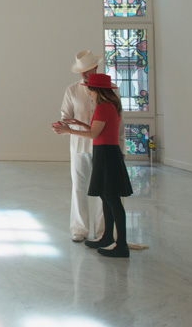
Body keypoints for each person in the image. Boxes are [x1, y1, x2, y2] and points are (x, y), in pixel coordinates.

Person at [54, 73, 133, 257]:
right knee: (106, 196)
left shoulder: (103, 108)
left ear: (95, 90)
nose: (88, 92)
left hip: (106, 153)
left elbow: (94, 134)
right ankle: (106, 237)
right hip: (105, 152)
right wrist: (78, 123)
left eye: (90, 89)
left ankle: (121, 245)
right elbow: (99, 128)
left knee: (112, 199)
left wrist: (68, 130)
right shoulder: (107, 106)